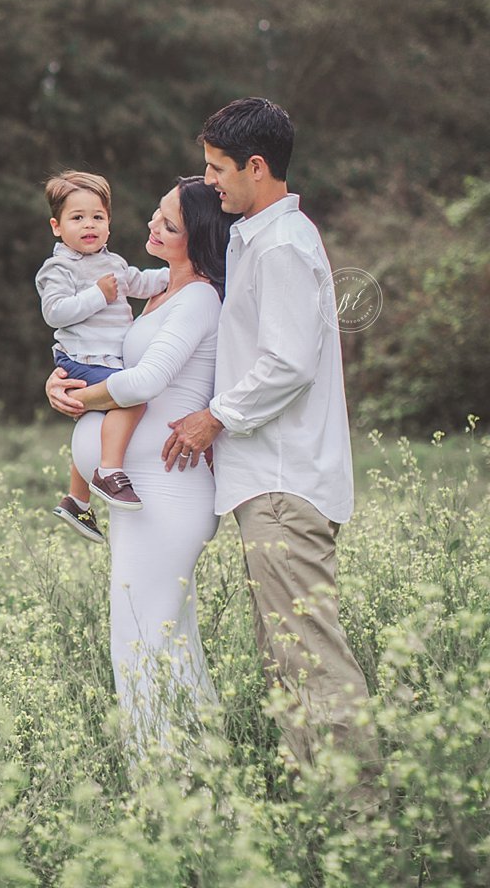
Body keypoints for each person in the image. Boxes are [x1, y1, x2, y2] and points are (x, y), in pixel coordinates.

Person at [162, 97, 380, 781]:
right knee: (287, 655)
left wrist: (214, 416)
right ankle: (325, 804)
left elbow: (288, 362)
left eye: (217, 169)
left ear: (256, 167)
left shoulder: (283, 245)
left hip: (284, 484)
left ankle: (367, 821)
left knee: (310, 655)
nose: (211, 182)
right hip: (270, 482)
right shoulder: (260, 236)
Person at [46, 176, 236, 743]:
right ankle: (194, 779)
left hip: (169, 492)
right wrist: (58, 383)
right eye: (156, 213)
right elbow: (98, 354)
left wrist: (84, 398)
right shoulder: (155, 291)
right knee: (164, 638)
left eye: (169, 224)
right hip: (139, 493)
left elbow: (149, 380)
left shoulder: (199, 296)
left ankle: (162, 783)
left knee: (140, 639)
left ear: (196, 240)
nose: (152, 225)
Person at [36, 170, 170, 542]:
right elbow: (55, 312)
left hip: (105, 361)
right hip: (81, 359)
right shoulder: (59, 268)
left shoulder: (112, 264)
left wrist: (174, 277)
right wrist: (98, 294)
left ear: (109, 223)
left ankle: (77, 501)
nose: (89, 225)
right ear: (57, 227)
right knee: (132, 401)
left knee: (92, 426)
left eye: (97, 217)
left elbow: (141, 281)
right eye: (77, 218)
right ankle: (109, 472)